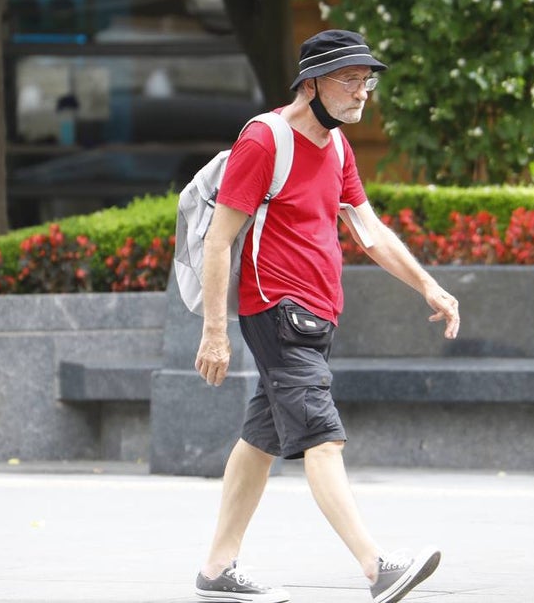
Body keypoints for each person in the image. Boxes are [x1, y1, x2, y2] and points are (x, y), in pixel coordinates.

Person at [193, 29, 461, 603]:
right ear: (311, 84)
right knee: (323, 437)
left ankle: (217, 569)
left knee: (260, 440)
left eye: (367, 80)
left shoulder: (338, 147)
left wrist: (429, 286)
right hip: (277, 312)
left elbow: (368, 231)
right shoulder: (265, 142)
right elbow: (219, 241)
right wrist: (214, 332)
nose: (363, 91)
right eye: (350, 79)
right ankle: (377, 567)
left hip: (315, 318)